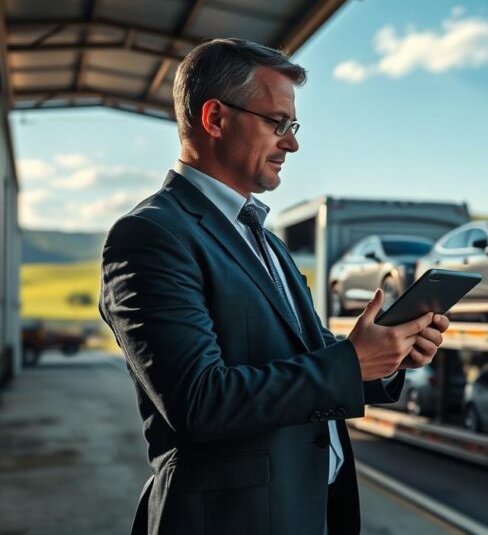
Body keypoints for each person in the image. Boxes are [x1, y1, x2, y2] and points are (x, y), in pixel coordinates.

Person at [98, 38, 449, 535]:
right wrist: (350, 363)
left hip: (310, 510)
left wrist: (388, 355)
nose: (292, 143)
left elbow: (304, 352)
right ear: (215, 118)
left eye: (293, 126)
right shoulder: (150, 235)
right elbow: (200, 400)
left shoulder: (264, 238)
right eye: (277, 123)